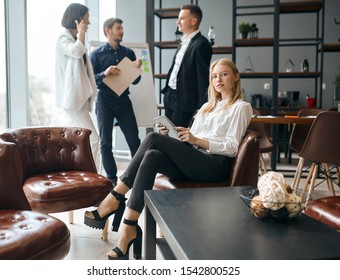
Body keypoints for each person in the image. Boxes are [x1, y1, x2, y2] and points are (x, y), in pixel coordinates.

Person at [84, 58, 253, 260]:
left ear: (235, 77)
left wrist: (196, 139)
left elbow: (232, 148)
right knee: (152, 155)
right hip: (197, 159)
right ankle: (129, 226)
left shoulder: (241, 107)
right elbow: (193, 141)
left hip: (215, 165)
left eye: (224, 74)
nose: (218, 79)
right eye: (215, 76)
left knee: (153, 138)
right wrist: (178, 135)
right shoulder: (207, 107)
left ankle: (114, 198)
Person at [90, 18, 142, 186]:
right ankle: (111, 180)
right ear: (108, 31)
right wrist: (104, 73)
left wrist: (137, 69)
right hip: (104, 101)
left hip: (123, 100)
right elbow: (91, 81)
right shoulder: (96, 55)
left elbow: (135, 81)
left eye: (122, 28)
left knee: (134, 140)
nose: (122, 31)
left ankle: (139, 175)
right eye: (118, 28)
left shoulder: (129, 53)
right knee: (105, 142)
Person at [55, 3, 100, 168]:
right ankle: (94, 176)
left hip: (80, 99)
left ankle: (85, 174)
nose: (88, 24)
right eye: (86, 20)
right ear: (77, 20)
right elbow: (76, 52)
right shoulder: (63, 37)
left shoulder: (75, 38)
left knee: (80, 140)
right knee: (93, 139)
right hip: (73, 100)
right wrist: (81, 33)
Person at [161, 4, 212, 127]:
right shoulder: (182, 42)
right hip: (170, 96)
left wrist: (203, 107)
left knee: (178, 139)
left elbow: (203, 78)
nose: (178, 21)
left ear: (193, 21)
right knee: (166, 135)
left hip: (184, 101)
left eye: (182, 18)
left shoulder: (202, 44)